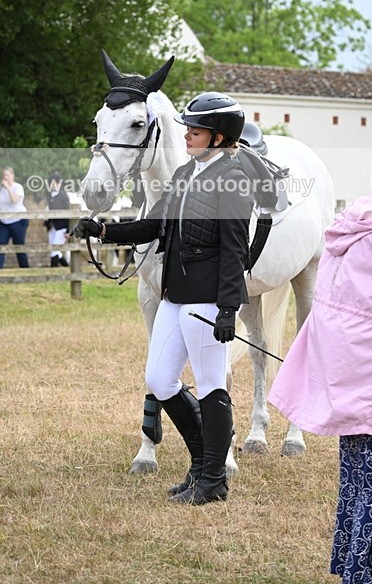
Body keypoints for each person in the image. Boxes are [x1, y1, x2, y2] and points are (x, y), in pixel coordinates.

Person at [268, 129, 372, 584]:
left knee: (360, 481)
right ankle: (364, 574)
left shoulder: (359, 220)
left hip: (355, 370)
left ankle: (354, 566)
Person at [72, 92, 255, 505]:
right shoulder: (187, 173)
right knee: (159, 379)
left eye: (197, 129)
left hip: (208, 299)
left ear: (220, 136)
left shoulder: (234, 179)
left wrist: (229, 308)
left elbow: (234, 250)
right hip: (175, 295)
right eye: (188, 127)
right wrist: (103, 232)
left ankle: (214, 480)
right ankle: (198, 463)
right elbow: (155, 223)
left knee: (210, 386)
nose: (187, 134)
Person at [0, 166, 30, 269]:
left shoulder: (18, 187)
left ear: (12, 176)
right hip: (4, 222)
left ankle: (25, 269)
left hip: (18, 221)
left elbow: (14, 200)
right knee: (0, 246)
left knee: (19, 246)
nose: (5, 177)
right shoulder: (1, 188)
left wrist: (8, 187)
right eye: (4, 175)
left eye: (7, 175)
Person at [44, 171, 70, 267]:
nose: (54, 185)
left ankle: (53, 270)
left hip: (62, 227)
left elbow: (69, 214)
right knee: (54, 250)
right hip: (52, 227)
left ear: (60, 183)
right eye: (52, 182)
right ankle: (67, 267)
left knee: (55, 250)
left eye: (56, 182)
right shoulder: (49, 195)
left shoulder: (64, 196)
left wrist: (68, 230)